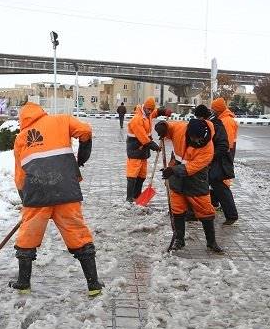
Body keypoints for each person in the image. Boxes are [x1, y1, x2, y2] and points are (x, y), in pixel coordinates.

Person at [12, 102, 103, 296]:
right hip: (65, 189)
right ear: (41, 112)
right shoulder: (62, 120)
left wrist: (24, 197)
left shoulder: (21, 137)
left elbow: (19, 174)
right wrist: (83, 155)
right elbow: (85, 130)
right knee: (77, 232)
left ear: (22, 119)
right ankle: (93, 284)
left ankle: (23, 284)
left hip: (36, 194)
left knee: (28, 235)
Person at [155, 118, 223, 252]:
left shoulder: (208, 149)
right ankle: (179, 239)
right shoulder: (181, 129)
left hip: (196, 179)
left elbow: (192, 167)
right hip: (176, 175)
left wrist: (173, 170)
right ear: (187, 133)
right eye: (192, 138)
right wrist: (162, 126)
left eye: (198, 139)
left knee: (205, 209)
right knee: (177, 208)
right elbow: (170, 128)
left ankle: (211, 242)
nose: (196, 141)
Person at [194, 104, 238, 225]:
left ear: (203, 116)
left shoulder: (216, 125)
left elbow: (223, 146)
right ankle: (196, 212)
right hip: (214, 161)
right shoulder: (210, 123)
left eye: (199, 118)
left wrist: (210, 156)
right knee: (206, 185)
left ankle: (231, 215)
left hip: (219, 162)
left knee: (219, 187)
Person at [125, 97, 170, 202]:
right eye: (148, 109)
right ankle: (129, 198)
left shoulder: (148, 115)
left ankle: (137, 196)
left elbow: (155, 112)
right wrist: (154, 146)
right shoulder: (137, 119)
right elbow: (143, 137)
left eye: (151, 109)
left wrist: (164, 111)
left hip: (143, 151)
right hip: (135, 150)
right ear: (144, 107)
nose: (150, 111)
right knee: (132, 175)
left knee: (142, 175)